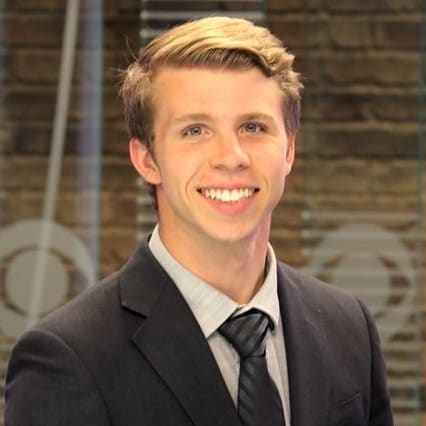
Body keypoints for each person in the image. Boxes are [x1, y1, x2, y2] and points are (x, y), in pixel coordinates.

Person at [4, 16, 393, 426]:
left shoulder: (349, 328)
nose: (231, 156)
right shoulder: (67, 359)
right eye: (195, 130)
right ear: (146, 159)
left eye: (253, 127)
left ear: (289, 150)